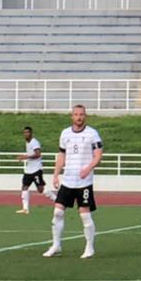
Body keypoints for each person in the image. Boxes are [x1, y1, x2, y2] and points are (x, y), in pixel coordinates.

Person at [44, 105, 102, 258]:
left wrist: (88, 168)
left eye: (81, 114)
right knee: (57, 212)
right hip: (68, 180)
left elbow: (98, 156)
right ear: (72, 116)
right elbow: (61, 155)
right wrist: (56, 175)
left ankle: (89, 247)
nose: (79, 117)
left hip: (84, 182)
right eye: (76, 114)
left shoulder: (92, 134)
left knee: (84, 215)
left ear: (85, 116)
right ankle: (56, 245)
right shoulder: (65, 133)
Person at [16, 125, 55, 214]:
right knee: (24, 187)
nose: (26, 134)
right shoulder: (27, 142)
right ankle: (25, 209)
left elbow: (38, 154)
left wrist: (25, 157)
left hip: (36, 169)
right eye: (24, 132)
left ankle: (57, 201)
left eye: (27, 132)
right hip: (29, 170)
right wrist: (26, 157)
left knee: (40, 189)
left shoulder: (34, 142)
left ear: (31, 133)